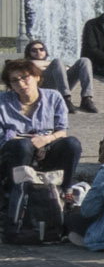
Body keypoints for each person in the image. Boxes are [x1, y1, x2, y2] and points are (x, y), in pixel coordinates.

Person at [0, 59, 83, 200]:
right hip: (14, 151)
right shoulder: (2, 101)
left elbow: (61, 131)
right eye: (14, 80)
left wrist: (45, 139)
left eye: (25, 78)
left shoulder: (53, 97)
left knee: (72, 143)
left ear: (36, 77)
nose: (20, 84)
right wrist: (29, 140)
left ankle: (66, 191)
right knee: (23, 145)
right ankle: (18, 192)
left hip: (46, 147)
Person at [23, 40, 98, 114]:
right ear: (29, 53)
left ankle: (86, 99)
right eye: (34, 50)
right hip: (45, 88)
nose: (38, 52)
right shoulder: (26, 63)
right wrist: (55, 64)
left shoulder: (52, 64)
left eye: (41, 49)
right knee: (57, 61)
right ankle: (65, 98)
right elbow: (35, 65)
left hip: (60, 85)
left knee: (84, 61)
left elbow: (65, 69)